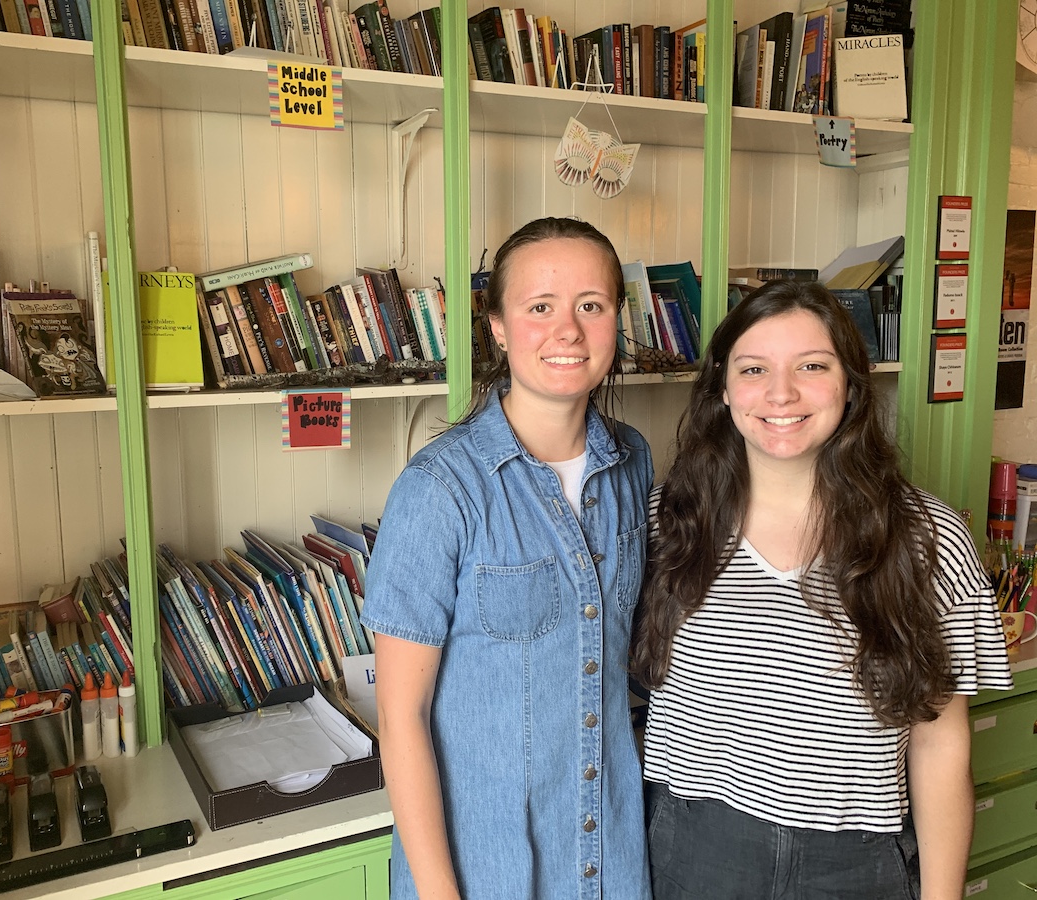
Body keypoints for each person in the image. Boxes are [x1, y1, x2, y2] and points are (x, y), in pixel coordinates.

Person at [632, 280, 1012, 900]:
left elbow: (941, 741)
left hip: (857, 865)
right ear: (723, 388)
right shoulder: (664, 526)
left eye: (812, 366)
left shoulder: (927, 538)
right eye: (754, 369)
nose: (781, 393)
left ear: (850, 385)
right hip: (696, 852)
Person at [360, 217, 654, 899]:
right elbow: (401, 721)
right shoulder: (439, 490)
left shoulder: (633, 462)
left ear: (617, 319)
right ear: (497, 327)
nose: (568, 330)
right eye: (540, 307)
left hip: (610, 858)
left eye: (591, 305)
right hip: (484, 871)